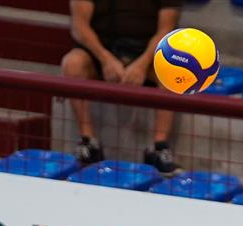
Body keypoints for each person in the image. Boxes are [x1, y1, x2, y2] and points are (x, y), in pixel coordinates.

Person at [61, 0, 183, 175]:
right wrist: (106, 59)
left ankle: (159, 147)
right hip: (101, 51)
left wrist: (142, 65)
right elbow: (79, 28)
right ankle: (88, 142)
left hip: (148, 53)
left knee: (174, 69)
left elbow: (165, 32)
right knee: (72, 64)